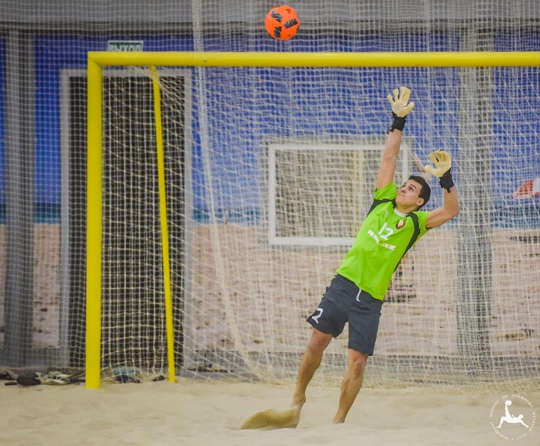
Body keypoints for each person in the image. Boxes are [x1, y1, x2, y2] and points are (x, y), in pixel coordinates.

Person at [241, 86, 459, 430]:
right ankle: (296, 403)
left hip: (369, 300)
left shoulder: (416, 223)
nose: (404, 188)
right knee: (316, 341)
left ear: (419, 202)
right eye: (404, 185)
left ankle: (338, 423)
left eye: (411, 189)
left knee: (357, 363)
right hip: (343, 284)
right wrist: (398, 121)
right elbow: (388, 159)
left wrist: (446, 178)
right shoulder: (382, 201)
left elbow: (450, 210)